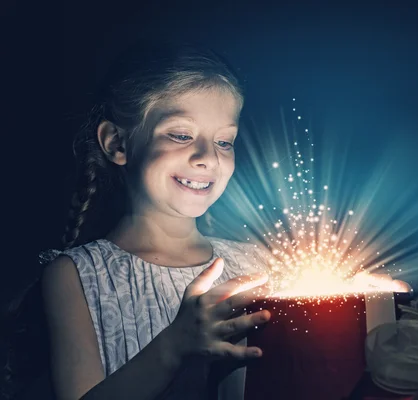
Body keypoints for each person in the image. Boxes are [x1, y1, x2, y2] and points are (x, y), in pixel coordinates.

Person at [37, 39, 273, 400]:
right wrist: (174, 345)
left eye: (225, 142)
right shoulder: (76, 277)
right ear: (117, 143)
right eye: (181, 135)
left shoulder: (257, 265)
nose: (208, 157)